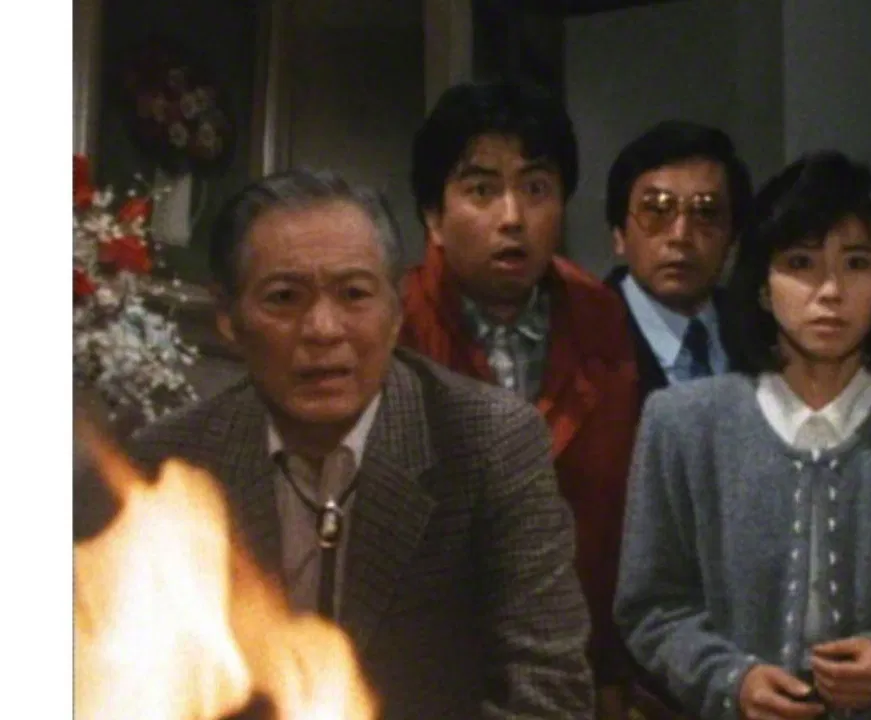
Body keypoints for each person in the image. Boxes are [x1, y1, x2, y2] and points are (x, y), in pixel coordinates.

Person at [122, 169, 595, 718]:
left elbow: (550, 692)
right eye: (284, 298)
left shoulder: (491, 443)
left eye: (354, 295)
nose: (323, 329)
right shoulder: (171, 461)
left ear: (396, 310)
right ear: (228, 318)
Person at [615, 152, 871, 720]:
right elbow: (652, 607)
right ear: (764, 287)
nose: (829, 290)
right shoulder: (682, 424)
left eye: (856, 263)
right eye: (800, 263)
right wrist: (731, 680)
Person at [397, 80, 640, 718]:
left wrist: (610, 666)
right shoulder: (391, 328)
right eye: (482, 190)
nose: (512, 217)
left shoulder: (601, 319)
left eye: (535, 188)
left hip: (567, 668)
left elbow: (615, 516)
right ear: (433, 217)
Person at [602, 120, 752, 402]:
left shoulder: (762, 332)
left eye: (706, 213)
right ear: (619, 234)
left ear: (733, 239)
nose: (680, 236)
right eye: (657, 211)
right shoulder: (579, 337)